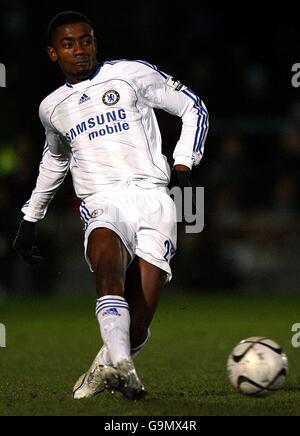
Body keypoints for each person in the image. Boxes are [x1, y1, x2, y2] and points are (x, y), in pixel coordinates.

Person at [13, 11, 209, 400]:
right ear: (53, 53)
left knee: (139, 323)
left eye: (86, 41)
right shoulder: (51, 107)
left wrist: (184, 162)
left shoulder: (132, 73)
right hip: (102, 199)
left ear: (95, 42)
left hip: (155, 198)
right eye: (68, 45)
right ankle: (123, 367)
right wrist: (30, 217)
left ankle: (108, 364)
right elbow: (55, 160)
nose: (79, 50)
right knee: (107, 266)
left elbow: (193, 107)